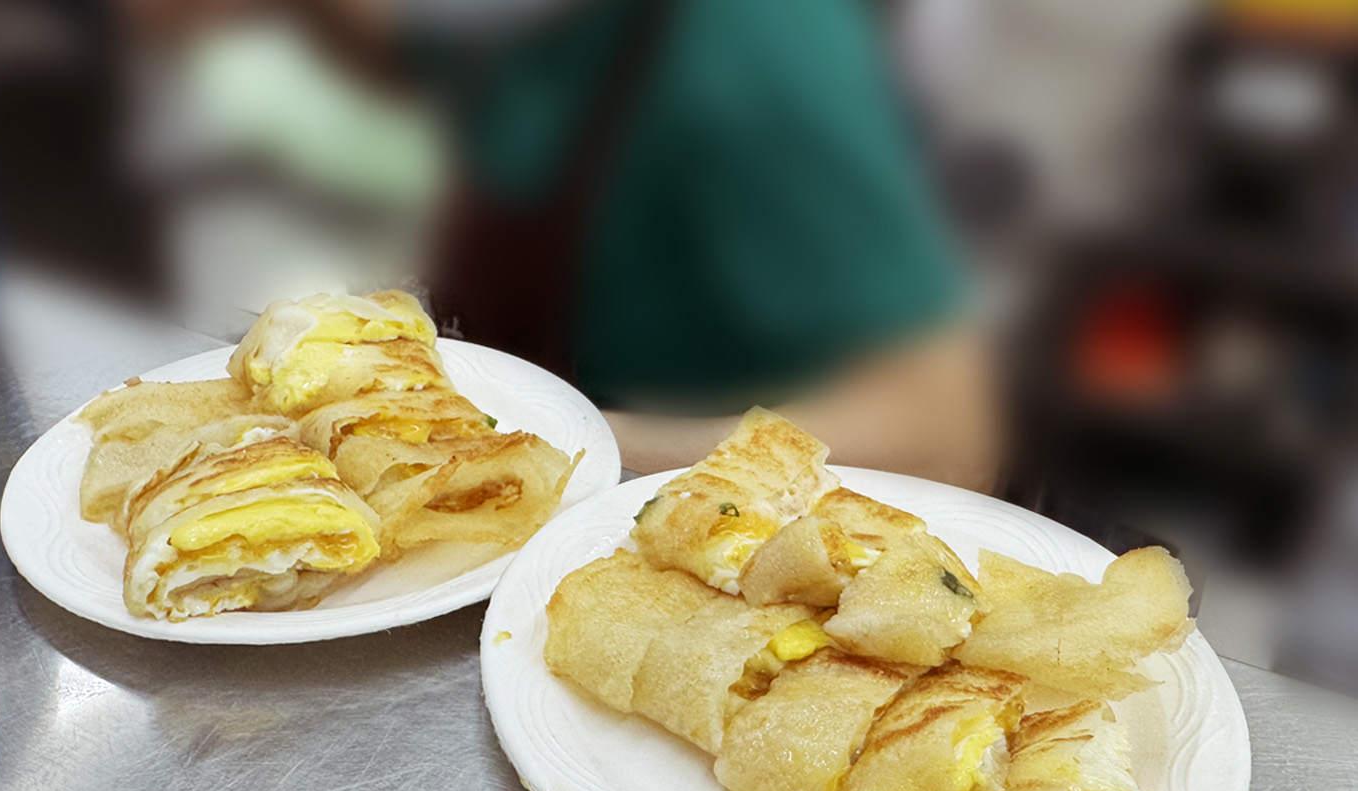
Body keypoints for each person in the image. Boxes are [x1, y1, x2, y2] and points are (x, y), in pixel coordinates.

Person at [130, 0, 1001, 490]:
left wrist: (541, 437)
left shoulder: (752, 44)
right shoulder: (500, 34)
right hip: (520, 511)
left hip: (714, 553)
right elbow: (391, 53)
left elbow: (943, 434)